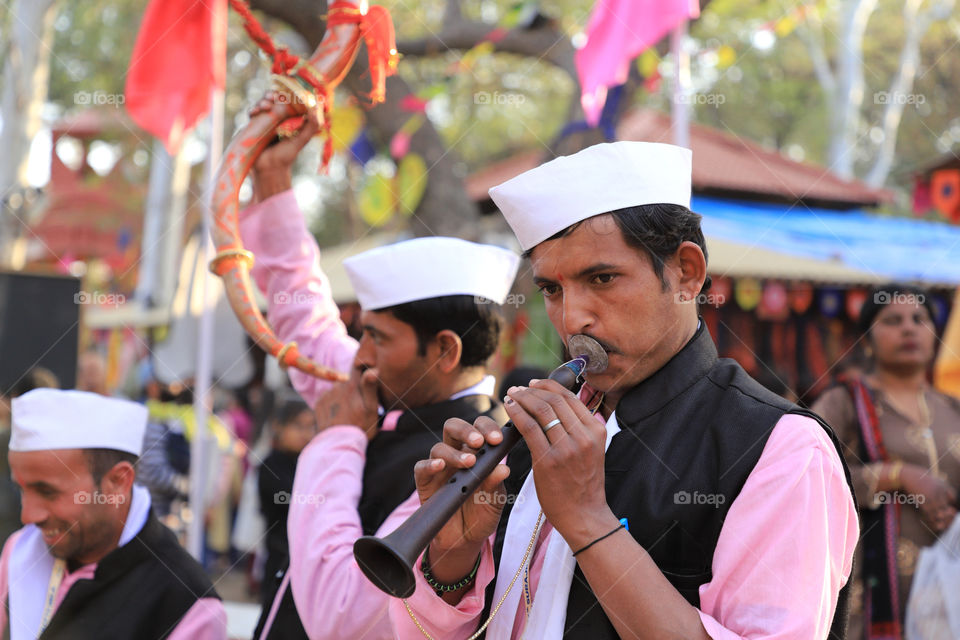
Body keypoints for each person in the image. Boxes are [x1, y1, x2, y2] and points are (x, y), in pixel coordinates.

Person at [394, 141, 859, 639]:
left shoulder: (782, 450)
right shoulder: (537, 439)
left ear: (686, 272)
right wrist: (454, 555)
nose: (572, 319)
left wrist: (587, 520)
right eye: (552, 289)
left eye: (602, 277)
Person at [240, 94, 520, 639]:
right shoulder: (385, 387)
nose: (358, 354)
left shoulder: (467, 458)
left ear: (444, 351)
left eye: (375, 336)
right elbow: (306, 317)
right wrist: (274, 178)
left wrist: (336, 441)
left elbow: (340, 615)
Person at [0, 388, 226, 639]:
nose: (28, 516)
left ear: (117, 483)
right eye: (21, 489)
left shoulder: (187, 606)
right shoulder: (20, 551)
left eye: (48, 492)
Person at [812, 284, 960, 639]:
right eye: (892, 320)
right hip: (869, 593)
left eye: (919, 320)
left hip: (948, 595)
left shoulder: (952, 408)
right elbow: (807, 475)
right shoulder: (843, 402)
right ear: (866, 340)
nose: (909, 328)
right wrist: (898, 476)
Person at [257, 395, 315, 609]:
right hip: (280, 558)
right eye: (298, 426)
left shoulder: (306, 464)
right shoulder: (270, 466)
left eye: (311, 426)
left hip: (305, 566)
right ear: (278, 427)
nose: (306, 434)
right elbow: (290, 499)